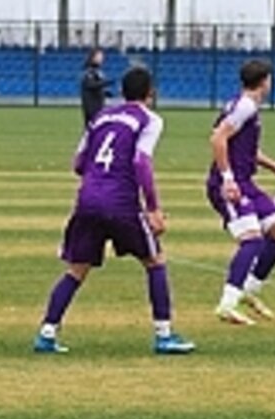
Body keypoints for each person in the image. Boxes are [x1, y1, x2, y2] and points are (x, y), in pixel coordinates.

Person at [33, 67, 194, 354]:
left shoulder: (101, 117)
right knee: (155, 261)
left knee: (76, 270)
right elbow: (141, 162)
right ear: (150, 93)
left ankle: (47, 333)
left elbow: (78, 164)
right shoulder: (149, 119)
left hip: (88, 200)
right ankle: (164, 334)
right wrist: (154, 208)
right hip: (121, 203)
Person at [207, 60, 275, 325]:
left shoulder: (245, 106)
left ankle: (248, 289)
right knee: (252, 239)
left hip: (247, 183)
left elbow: (242, 148)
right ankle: (227, 304)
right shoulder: (244, 106)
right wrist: (228, 179)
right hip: (230, 185)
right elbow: (217, 138)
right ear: (265, 81)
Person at [81, 47, 114, 127]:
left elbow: (96, 86)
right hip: (91, 106)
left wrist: (104, 93)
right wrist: (106, 83)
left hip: (98, 105)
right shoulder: (89, 71)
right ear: (93, 57)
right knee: (92, 129)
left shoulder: (98, 71)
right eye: (99, 56)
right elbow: (90, 84)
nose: (102, 58)